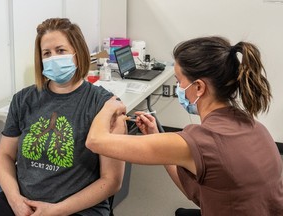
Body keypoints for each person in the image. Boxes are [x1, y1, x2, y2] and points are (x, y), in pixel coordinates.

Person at [86, 36, 283, 215]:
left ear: (198, 87)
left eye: (180, 82)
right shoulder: (255, 127)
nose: (179, 89)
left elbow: (95, 141)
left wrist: (107, 105)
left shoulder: (201, 141)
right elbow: (199, 191)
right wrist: (156, 136)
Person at [0, 18, 125, 216]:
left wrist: (55, 211)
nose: (53, 58)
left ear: (77, 53)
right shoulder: (23, 99)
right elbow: (5, 155)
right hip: (22, 201)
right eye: (46, 53)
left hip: (77, 207)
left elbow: (111, 180)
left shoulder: (105, 105)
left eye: (61, 50)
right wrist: (15, 201)